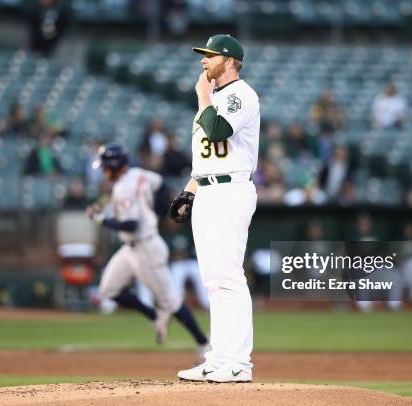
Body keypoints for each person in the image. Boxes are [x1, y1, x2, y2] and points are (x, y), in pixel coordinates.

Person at [169, 34, 259, 383]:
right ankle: (219, 358)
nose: (203, 61)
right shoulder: (212, 100)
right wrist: (190, 190)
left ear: (230, 60)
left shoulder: (242, 95)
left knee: (228, 276)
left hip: (231, 189)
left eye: (210, 55)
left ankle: (238, 362)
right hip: (207, 190)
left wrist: (203, 97)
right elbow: (204, 156)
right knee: (213, 280)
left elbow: (219, 132)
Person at [87, 143, 210, 361]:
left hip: (146, 249)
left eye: (105, 166)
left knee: (171, 302)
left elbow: (131, 225)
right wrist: (162, 212)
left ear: (115, 166)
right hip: (130, 248)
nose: (103, 171)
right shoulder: (138, 174)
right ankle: (154, 316)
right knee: (108, 290)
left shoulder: (124, 187)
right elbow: (161, 185)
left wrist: (101, 219)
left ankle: (204, 344)